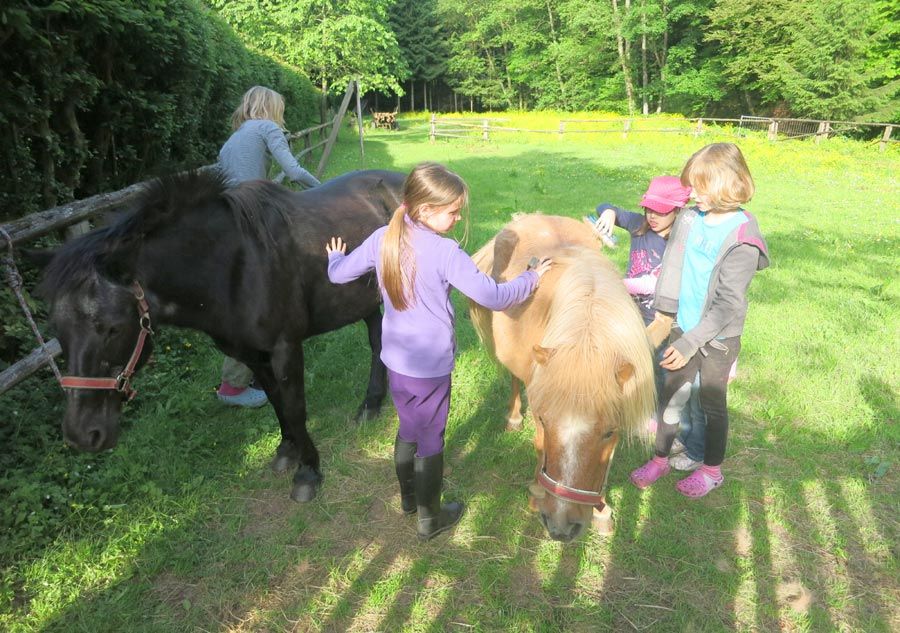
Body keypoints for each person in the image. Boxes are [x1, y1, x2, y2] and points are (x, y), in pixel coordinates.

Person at [325, 162, 552, 541]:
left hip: (395, 359)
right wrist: (532, 277)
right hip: (430, 367)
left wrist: (334, 257)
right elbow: (493, 297)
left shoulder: (384, 236)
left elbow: (338, 274)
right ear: (426, 210)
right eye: (453, 211)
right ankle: (431, 519)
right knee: (430, 439)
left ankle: (409, 501)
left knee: (409, 429)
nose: (458, 217)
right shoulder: (445, 252)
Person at [630, 142, 769, 498]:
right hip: (683, 328)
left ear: (728, 184)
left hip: (718, 339)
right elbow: (672, 269)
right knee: (672, 394)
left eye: (701, 187)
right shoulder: (691, 218)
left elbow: (727, 305)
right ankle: (660, 459)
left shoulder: (743, 239)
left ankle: (711, 470)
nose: (693, 194)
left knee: (710, 405)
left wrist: (692, 341)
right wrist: (665, 318)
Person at [215, 86, 321, 408]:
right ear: (271, 107)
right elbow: (293, 170)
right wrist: (326, 190)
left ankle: (246, 375)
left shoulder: (232, 139)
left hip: (230, 224)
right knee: (260, 302)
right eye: (280, 109)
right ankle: (234, 385)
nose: (281, 115)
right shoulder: (267, 127)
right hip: (252, 224)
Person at [590, 176, 706, 472]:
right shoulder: (638, 226)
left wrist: (621, 283)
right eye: (649, 209)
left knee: (667, 374)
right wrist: (608, 213)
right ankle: (647, 417)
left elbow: (661, 284)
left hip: (666, 320)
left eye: (661, 211)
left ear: (679, 211)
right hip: (635, 315)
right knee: (640, 367)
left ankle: (676, 430)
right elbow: (607, 206)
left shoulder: (682, 243)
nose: (653, 216)